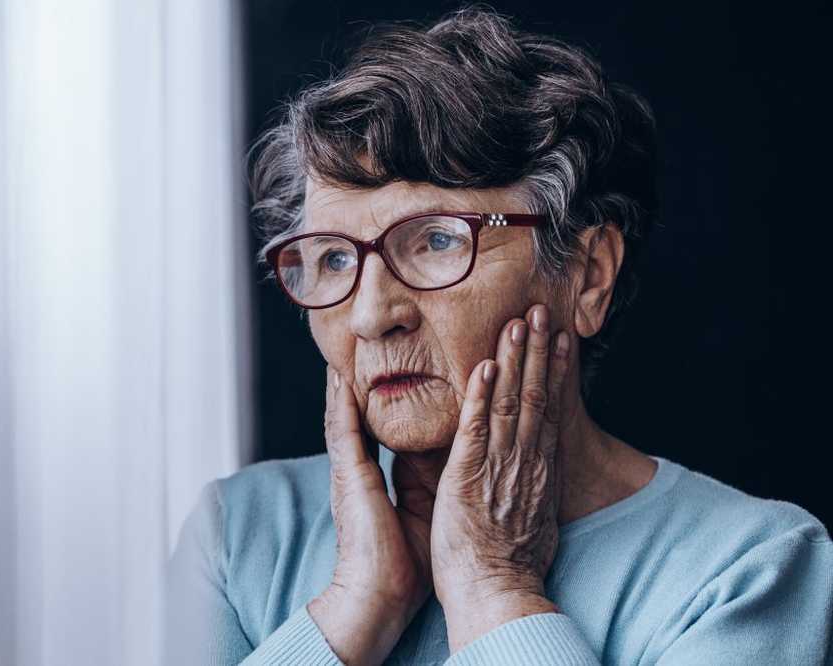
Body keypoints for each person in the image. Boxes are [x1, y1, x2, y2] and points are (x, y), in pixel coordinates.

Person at [164, 6, 833, 664]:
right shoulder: (237, 537)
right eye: (334, 258)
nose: (371, 316)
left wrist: (494, 587)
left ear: (588, 275)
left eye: (435, 241)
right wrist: (355, 606)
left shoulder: (750, 570)